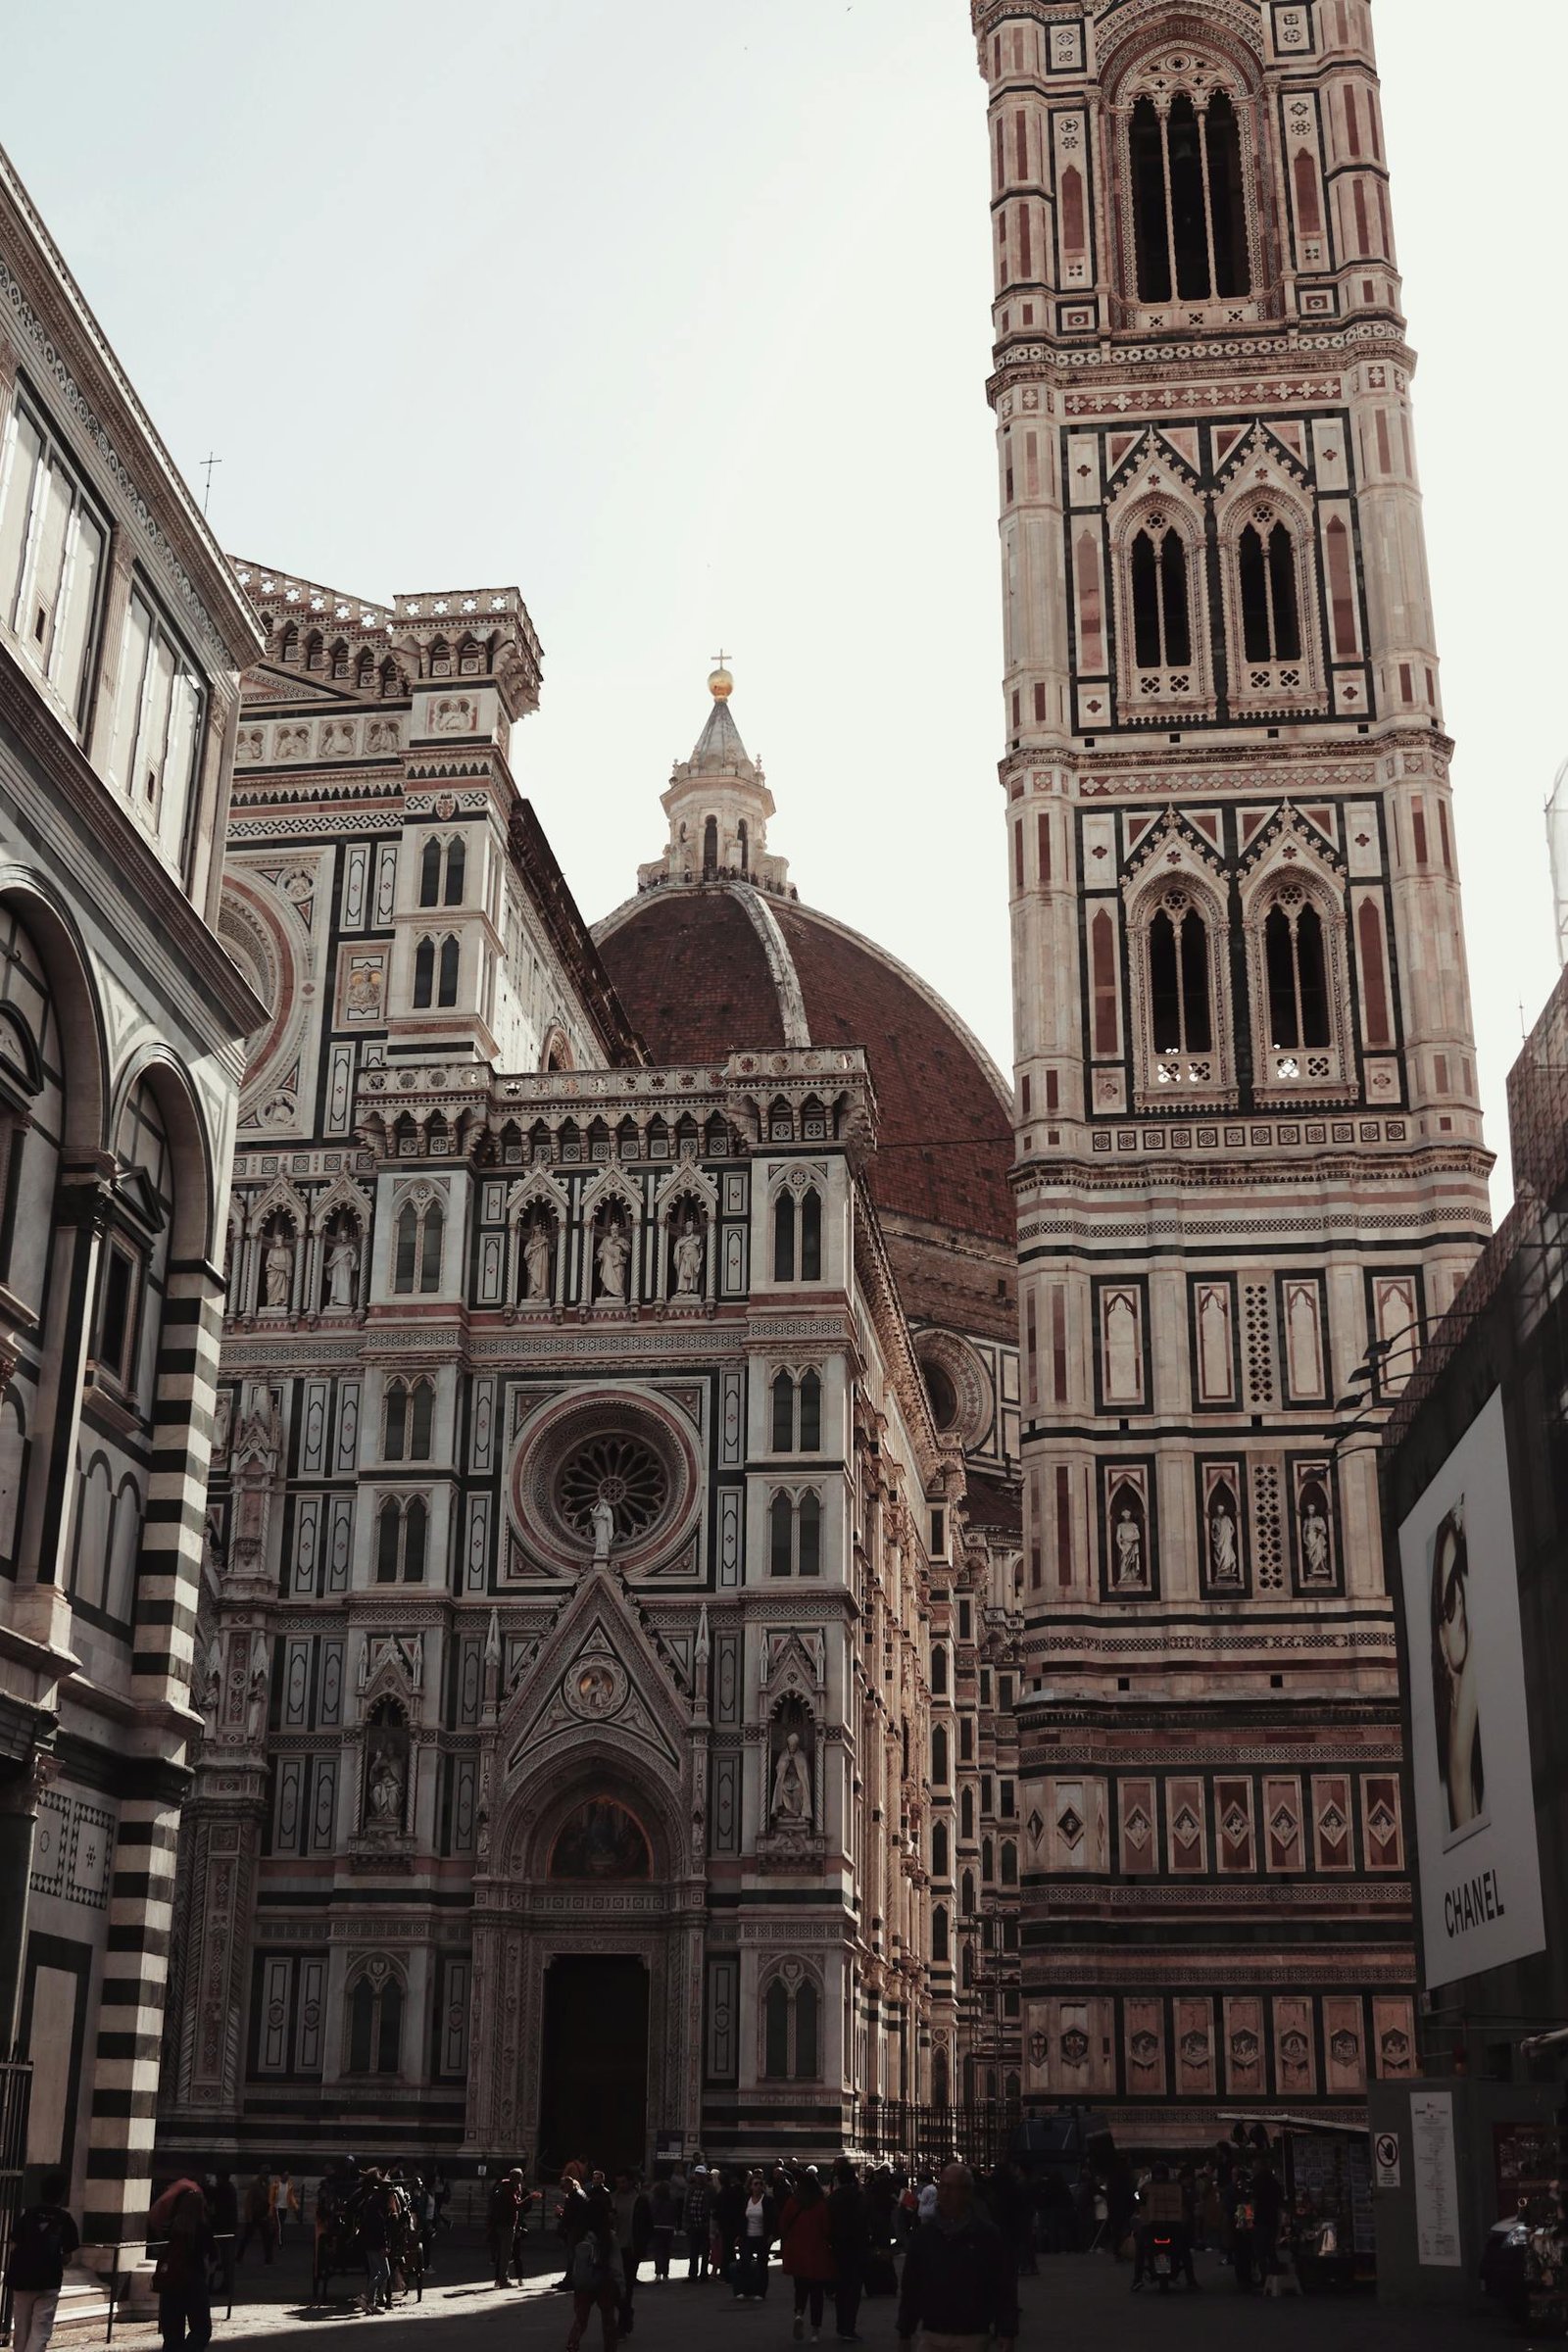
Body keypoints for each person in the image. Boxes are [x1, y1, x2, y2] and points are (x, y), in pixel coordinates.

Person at [896, 2162, 1018, 2352]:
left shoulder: (987, 2236)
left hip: (972, 2334)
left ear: (968, 2192)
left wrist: (1006, 2331)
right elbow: (911, 2285)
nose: (944, 2193)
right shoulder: (925, 2236)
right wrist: (905, 2331)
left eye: (951, 2188)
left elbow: (1003, 2286)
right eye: (942, 2186)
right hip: (932, 2332)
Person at [8, 2171, 79, 2352]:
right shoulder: (65, 2220)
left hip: (22, 2280)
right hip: (49, 2281)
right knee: (40, 2331)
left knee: (21, 2330)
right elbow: (67, 2256)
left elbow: (14, 2245)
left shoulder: (28, 2216)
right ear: (62, 2194)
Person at [156, 2184, 215, 2352]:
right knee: (202, 2330)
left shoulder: (172, 2228)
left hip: (171, 2283)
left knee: (172, 2335)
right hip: (194, 2282)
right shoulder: (202, 2228)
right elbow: (212, 2257)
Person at [779, 2168, 836, 2343]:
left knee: (800, 2288)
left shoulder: (792, 2202)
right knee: (817, 2293)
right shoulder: (821, 2204)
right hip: (817, 2254)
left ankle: (798, 2313)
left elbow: (783, 2225)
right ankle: (815, 2332)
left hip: (797, 2253)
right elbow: (828, 2229)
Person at [565, 2187, 619, 2352]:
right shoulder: (608, 2236)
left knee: (581, 2317)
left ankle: (573, 2342)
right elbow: (616, 2263)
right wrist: (621, 2286)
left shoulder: (578, 2234)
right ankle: (610, 2347)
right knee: (608, 2317)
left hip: (583, 2280)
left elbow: (572, 2258)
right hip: (604, 2279)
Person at [827, 2158, 869, 2343]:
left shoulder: (832, 2198)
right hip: (856, 2248)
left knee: (841, 2288)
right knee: (853, 2290)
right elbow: (865, 2221)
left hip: (838, 2247)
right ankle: (848, 2327)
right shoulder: (858, 2196)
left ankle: (841, 2325)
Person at [611, 2170, 652, 2336]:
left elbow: (648, 2225)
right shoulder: (611, 2198)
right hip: (613, 2248)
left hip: (630, 2249)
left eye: (623, 2182)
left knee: (626, 2287)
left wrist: (642, 2245)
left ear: (630, 2182)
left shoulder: (640, 2200)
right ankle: (627, 2312)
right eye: (618, 2182)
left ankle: (622, 2324)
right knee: (613, 2288)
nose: (621, 2186)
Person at [733, 2170, 776, 2303]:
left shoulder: (767, 2201)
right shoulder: (746, 2200)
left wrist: (772, 2235)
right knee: (745, 2262)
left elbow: (773, 2218)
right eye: (755, 2184)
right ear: (750, 2186)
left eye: (760, 2184)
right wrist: (739, 2235)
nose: (757, 2186)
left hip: (762, 2237)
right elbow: (741, 2218)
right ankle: (744, 2290)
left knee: (762, 2265)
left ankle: (760, 2292)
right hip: (748, 2236)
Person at [361, 2180, 393, 2315]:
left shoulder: (371, 2203)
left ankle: (372, 2304)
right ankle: (364, 2297)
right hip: (376, 2245)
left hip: (368, 2243)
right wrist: (384, 2245)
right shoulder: (379, 2208)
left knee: (374, 2273)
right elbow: (380, 2228)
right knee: (385, 2273)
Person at [210, 2172, 237, 2303]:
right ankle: (226, 2285)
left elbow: (216, 2202)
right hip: (227, 2227)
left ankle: (226, 2285)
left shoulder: (224, 2189)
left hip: (225, 2228)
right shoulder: (229, 2189)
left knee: (225, 2258)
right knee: (225, 2259)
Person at [236, 2171, 273, 2265]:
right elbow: (249, 2200)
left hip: (261, 2214)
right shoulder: (256, 2185)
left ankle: (268, 2259)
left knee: (265, 2237)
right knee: (249, 2237)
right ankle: (239, 2256)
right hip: (255, 2214)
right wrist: (249, 2215)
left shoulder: (265, 2184)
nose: (267, 2176)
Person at [682, 2165, 711, 2280]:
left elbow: (712, 2207)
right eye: (697, 2175)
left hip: (705, 2225)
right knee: (693, 2251)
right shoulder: (691, 2189)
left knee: (705, 2251)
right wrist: (686, 2223)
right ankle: (692, 2274)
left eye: (701, 2175)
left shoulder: (710, 2190)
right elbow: (686, 2206)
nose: (699, 2177)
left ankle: (704, 2273)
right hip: (693, 2225)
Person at [648, 2176, 677, 2282]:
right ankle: (665, 2273)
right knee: (666, 2251)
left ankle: (658, 2273)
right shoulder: (671, 2202)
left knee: (658, 2251)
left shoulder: (654, 2202)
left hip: (657, 2227)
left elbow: (651, 2214)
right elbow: (674, 2215)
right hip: (668, 2228)